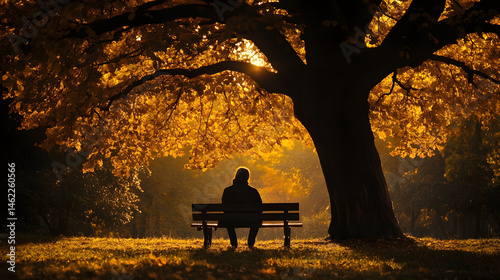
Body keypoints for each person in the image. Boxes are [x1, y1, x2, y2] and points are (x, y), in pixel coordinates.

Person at [221, 167, 262, 249]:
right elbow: (260, 209)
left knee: (227, 219)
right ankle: (251, 242)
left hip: (231, 221)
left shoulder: (228, 191)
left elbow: (224, 208)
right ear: (247, 177)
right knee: (257, 219)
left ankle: (234, 243)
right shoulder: (253, 192)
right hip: (251, 221)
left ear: (236, 176)